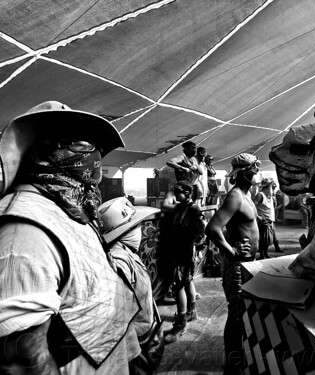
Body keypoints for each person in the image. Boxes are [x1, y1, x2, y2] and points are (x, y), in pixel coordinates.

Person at [0, 101, 142, 374]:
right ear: (43, 152)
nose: (96, 156)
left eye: (96, 147)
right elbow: (22, 360)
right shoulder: (25, 232)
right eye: (82, 145)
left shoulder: (69, 209)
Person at [205, 153, 261, 375]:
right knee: (236, 313)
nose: (256, 173)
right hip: (236, 266)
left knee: (242, 312)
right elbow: (212, 228)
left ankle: (238, 355)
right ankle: (233, 363)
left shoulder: (246, 196)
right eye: (253, 169)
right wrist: (231, 249)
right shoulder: (235, 197)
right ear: (242, 173)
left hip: (248, 264)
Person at [98, 197, 164, 373]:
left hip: (147, 336)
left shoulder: (127, 252)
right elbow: (117, 314)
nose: (140, 230)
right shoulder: (119, 261)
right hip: (137, 346)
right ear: (124, 232)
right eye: (135, 226)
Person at [162, 182, 206, 344]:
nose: (174, 194)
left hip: (186, 251)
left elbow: (202, 230)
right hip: (179, 250)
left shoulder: (193, 209)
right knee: (187, 281)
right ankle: (191, 311)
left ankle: (181, 324)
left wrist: (197, 248)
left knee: (178, 285)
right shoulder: (181, 207)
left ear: (187, 193)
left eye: (178, 192)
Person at [254, 177, 281, 259]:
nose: (272, 188)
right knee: (263, 239)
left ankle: (266, 254)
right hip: (263, 221)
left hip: (270, 220)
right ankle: (262, 255)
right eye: (271, 186)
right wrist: (258, 217)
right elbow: (252, 206)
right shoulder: (260, 195)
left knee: (268, 239)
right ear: (267, 187)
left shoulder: (270, 196)